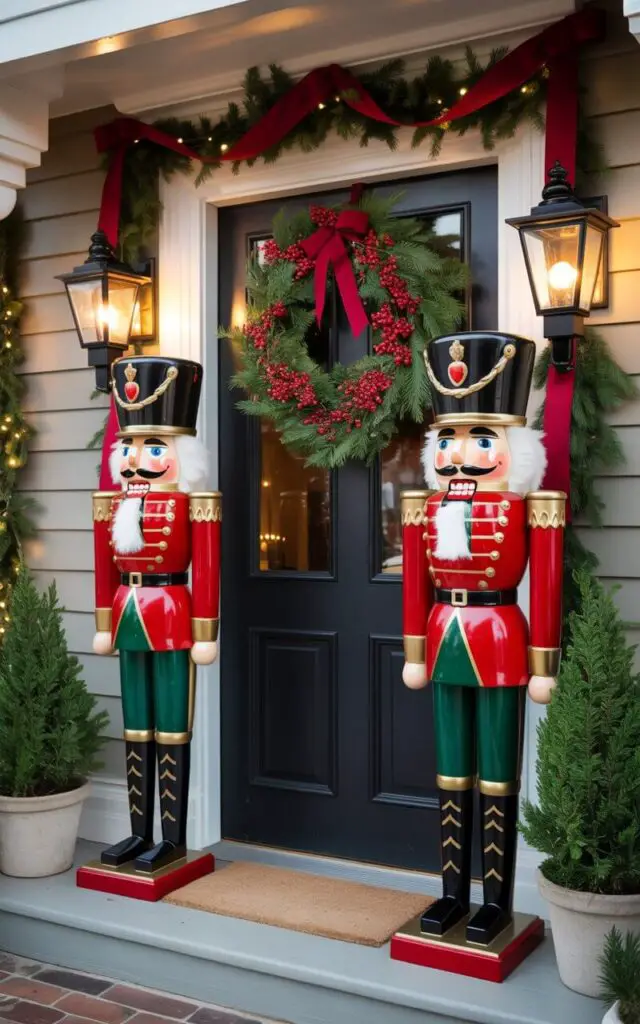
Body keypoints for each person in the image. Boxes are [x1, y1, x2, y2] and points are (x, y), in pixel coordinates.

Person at [401, 332, 564, 945]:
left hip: (500, 638)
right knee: (451, 772)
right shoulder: (426, 505)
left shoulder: (531, 506)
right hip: (445, 635)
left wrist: (543, 663)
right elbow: (414, 582)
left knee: (496, 772)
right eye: (449, 438)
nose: (460, 453)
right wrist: (414, 650)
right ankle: (452, 893)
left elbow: (546, 586)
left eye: (481, 438)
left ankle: (494, 900)